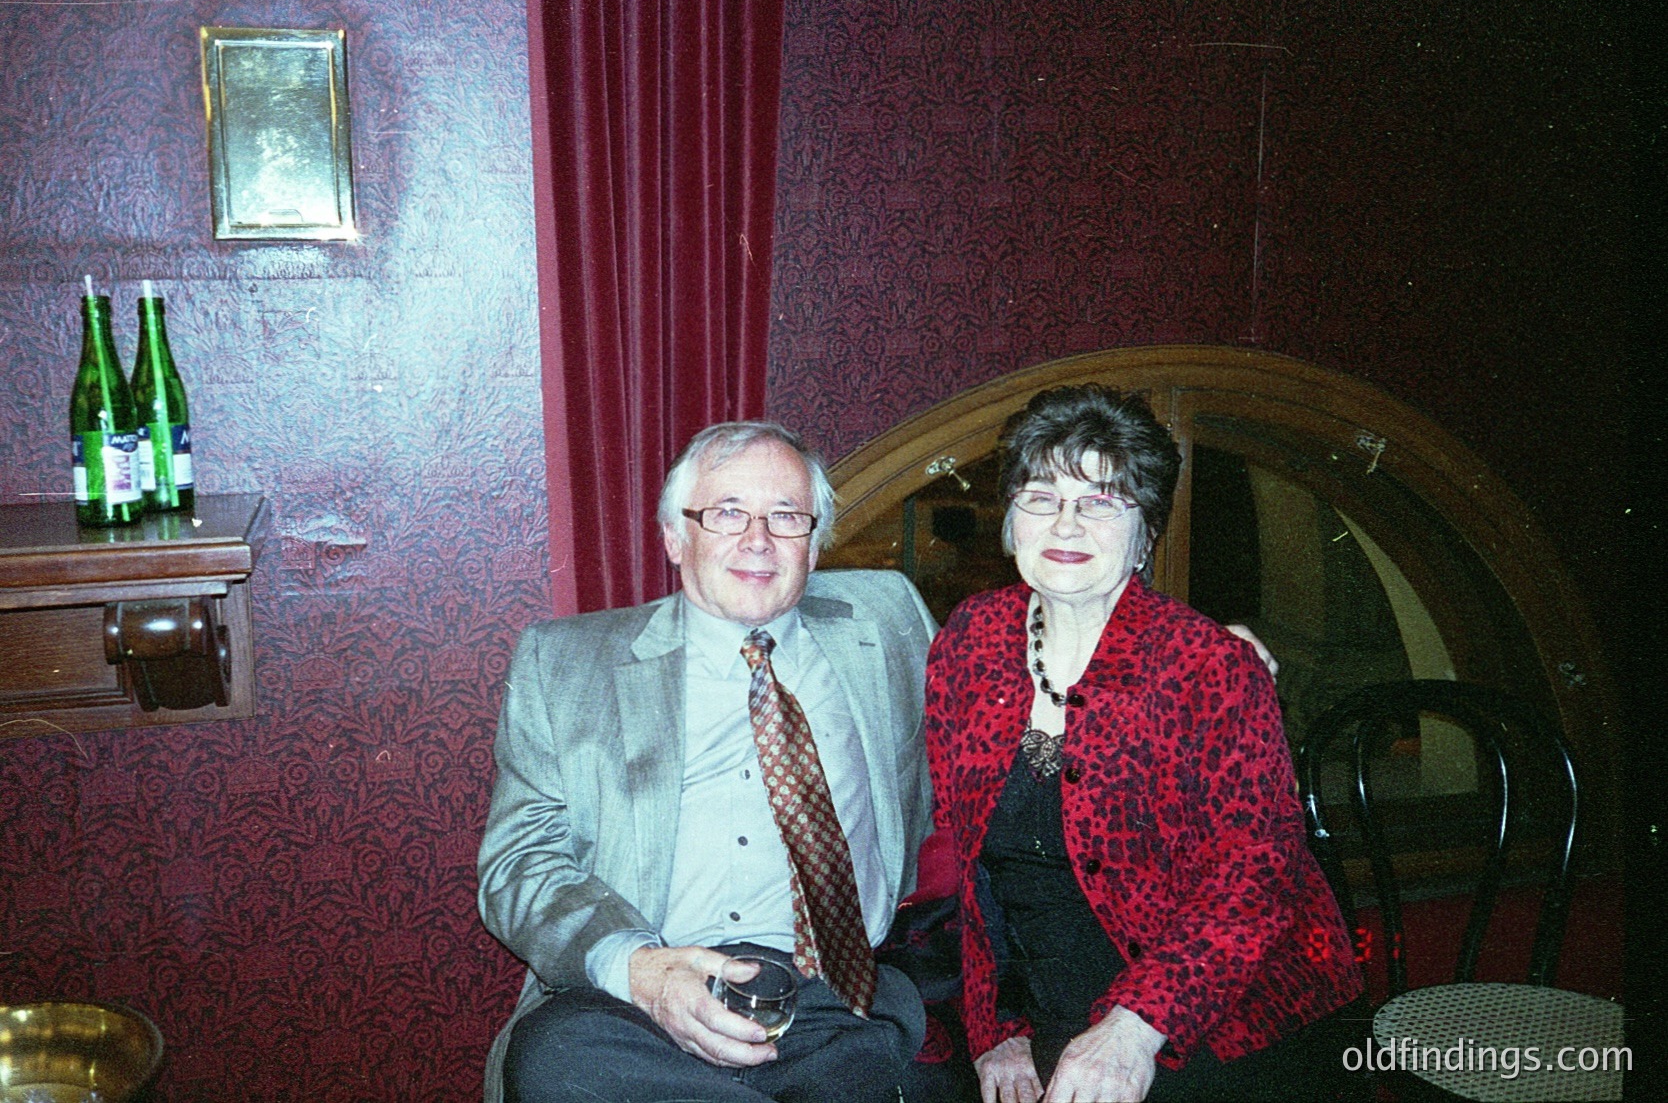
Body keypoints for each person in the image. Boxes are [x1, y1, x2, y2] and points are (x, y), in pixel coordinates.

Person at [922, 385, 1365, 1103]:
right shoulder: (970, 641)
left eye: (1101, 501)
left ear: (1146, 535)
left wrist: (1135, 1028)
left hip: (1220, 1005)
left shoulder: (1210, 667)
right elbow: (974, 869)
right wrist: (996, 1026)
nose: (1066, 523)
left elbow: (1255, 880)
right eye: (1040, 497)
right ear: (1010, 522)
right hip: (1047, 998)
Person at [477, 421, 938, 1103]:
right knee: (560, 1061)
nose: (758, 540)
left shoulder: (888, 620)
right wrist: (642, 971)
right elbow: (518, 865)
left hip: (834, 1001)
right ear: (674, 537)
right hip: (642, 997)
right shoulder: (567, 663)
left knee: (872, 1070)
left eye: (786, 516)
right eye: (727, 513)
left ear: (814, 545)